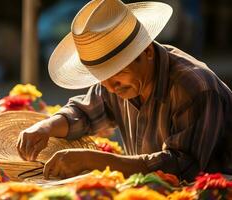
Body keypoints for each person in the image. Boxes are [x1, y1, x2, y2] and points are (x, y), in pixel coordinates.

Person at [16, 0, 232, 181]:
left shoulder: (195, 88)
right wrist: (46, 127)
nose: (110, 86)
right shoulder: (118, 82)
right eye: (101, 77)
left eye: (116, 72)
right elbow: (85, 112)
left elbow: (181, 168)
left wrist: (93, 160)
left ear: (146, 51)